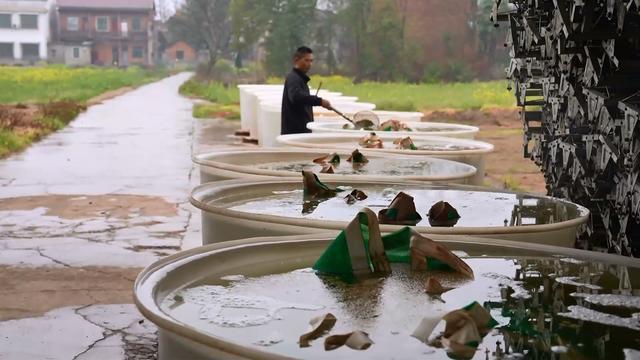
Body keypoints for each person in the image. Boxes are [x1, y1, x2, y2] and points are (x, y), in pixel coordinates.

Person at [281, 46, 331, 135]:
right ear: (296, 60)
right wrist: (319, 101)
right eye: (306, 60)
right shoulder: (294, 78)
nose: (310, 64)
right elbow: (296, 97)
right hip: (295, 132)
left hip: (301, 131)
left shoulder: (300, 78)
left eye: (311, 61)